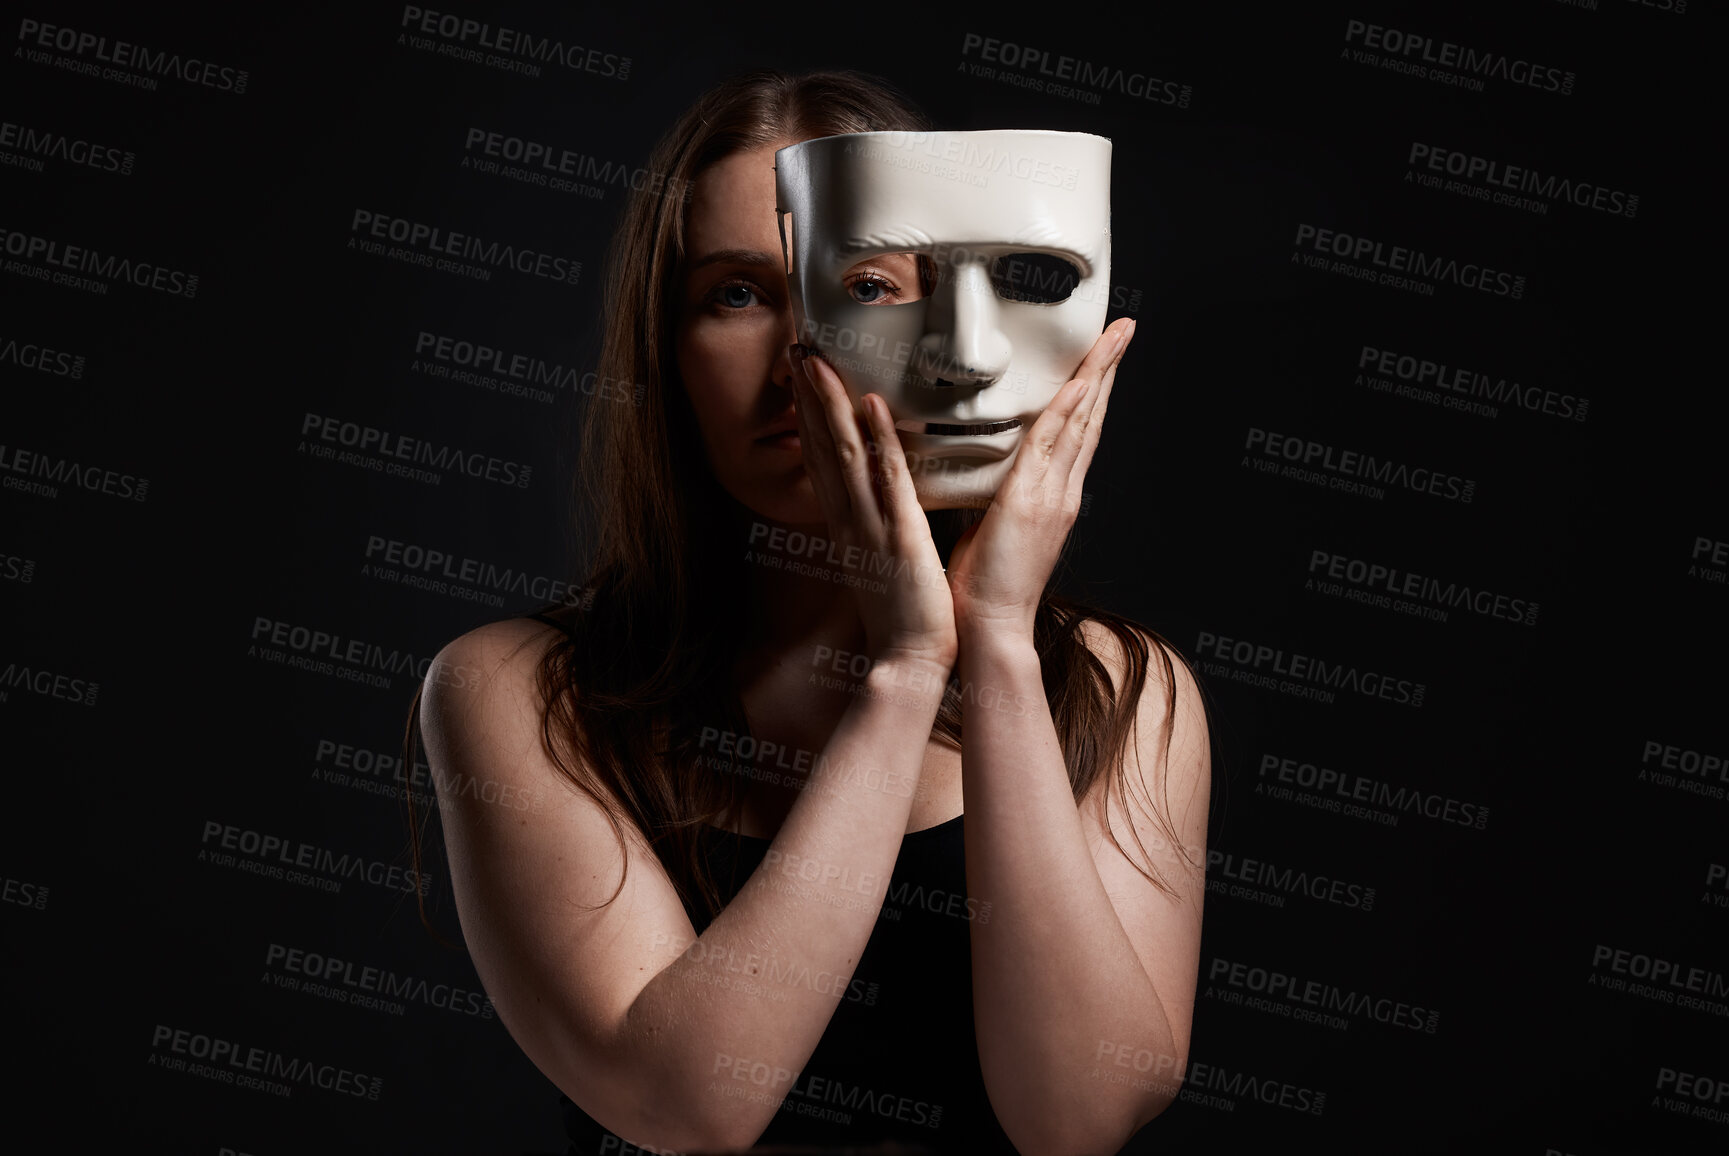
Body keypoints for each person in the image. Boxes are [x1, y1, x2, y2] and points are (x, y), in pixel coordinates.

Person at [405, 68, 1212, 1156]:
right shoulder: (519, 690)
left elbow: (1075, 1121)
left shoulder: (1115, 686)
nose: (805, 358)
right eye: (737, 294)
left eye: (865, 286)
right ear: (664, 349)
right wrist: (905, 670)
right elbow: (687, 1106)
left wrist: (1002, 655)